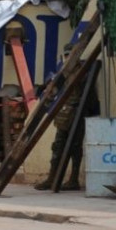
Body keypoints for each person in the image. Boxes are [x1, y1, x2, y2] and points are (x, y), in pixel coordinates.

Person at [35, 46, 99, 191]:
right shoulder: (63, 73)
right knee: (58, 146)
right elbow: (53, 91)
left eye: (70, 55)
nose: (68, 58)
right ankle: (52, 178)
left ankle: (73, 179)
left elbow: (89, 97)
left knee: (75, 147)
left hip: (78, 112)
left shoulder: (83, 73)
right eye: (66, 55)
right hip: (64, 112)